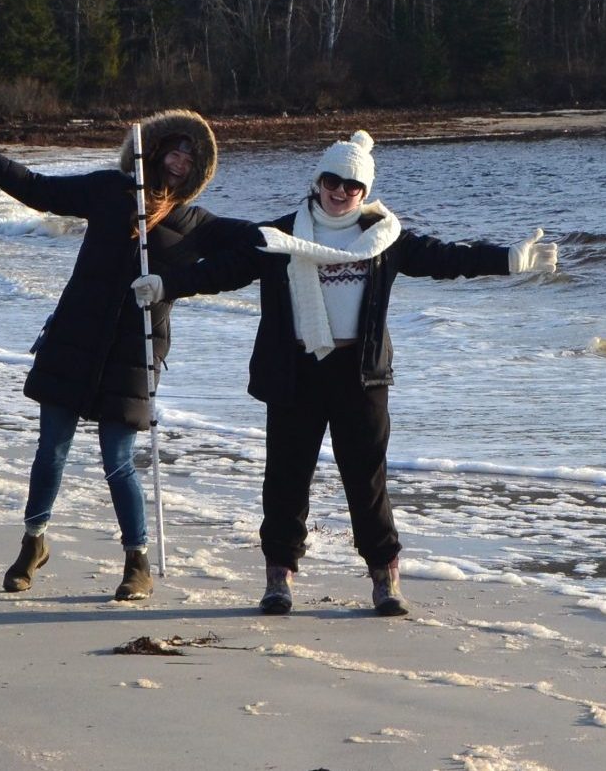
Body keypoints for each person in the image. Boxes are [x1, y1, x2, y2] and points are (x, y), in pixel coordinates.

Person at [145, 130, 558, 617]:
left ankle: (385, 580)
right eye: (331, 180)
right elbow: (222, 270)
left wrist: (509, 260)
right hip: (295, 371)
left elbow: (447, 258)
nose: (340, 191)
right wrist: (164, 284)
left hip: (359, 375)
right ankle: (279, 578)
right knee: (285, 480)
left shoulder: (384, 237)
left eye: (352, 185)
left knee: (366, 481)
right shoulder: (281, 236)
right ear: (317, 180)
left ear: (365, 191)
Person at [0, 110, 227, 603]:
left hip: (133, 353)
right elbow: (39, 189)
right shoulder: (109, 191)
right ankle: (32, 545)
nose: (179, 161)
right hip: (74, 338)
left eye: (190, 156)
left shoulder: (194, 222)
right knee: (51, 450)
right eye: (173, 150)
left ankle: (137, 562)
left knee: (118, 460)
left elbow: (250, 250)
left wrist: (329, 221)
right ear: (153, 150)